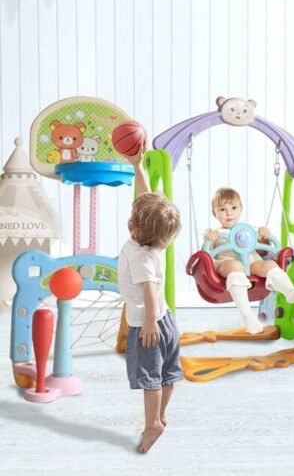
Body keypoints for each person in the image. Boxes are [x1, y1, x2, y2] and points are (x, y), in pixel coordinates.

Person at [117, 141, 182, 454]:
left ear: (137, 230)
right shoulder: (156, 238)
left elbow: (148, 292)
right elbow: (146, 199)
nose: (132, 217)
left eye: (134, 218)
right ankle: (161, 415)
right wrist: (137, 166)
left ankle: (153, 423)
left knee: (149, 378)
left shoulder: (141, 255)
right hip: (168, 321)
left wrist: (149, 323)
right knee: (167, 372)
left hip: (149, 324)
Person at [204, 187, 294, 334]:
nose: (229, 213)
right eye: (222, 209)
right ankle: (248, 317)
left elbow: (263, 247)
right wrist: (209, 235)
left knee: (269, 264)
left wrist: (263, 235)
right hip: (226, 265)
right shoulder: (215, 232)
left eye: (233, 208)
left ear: (240, 209)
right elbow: (206, 249)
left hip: (251, 263)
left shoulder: (249, 230)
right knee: (235, 265)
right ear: (214, 213)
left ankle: (289, 291)